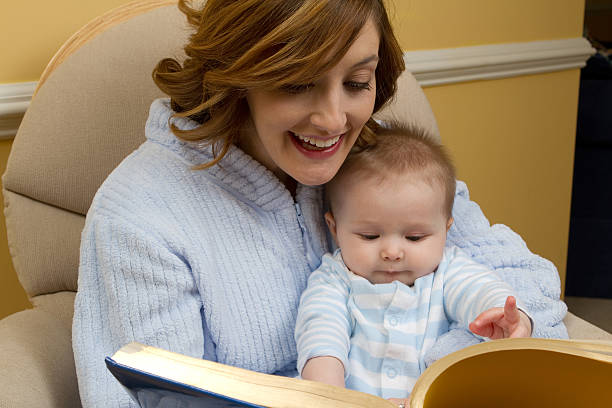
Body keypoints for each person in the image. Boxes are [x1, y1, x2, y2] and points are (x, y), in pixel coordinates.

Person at [71, 1, 567, 407]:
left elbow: (529, 284)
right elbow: (145, 399)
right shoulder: (139, 214)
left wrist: (428, 372)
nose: (333, 121)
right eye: (296, 82)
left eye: (356, 83)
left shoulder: (383, 159)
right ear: (237, 74)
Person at [294, 123, 532, 401]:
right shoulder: (335, 279)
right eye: (370, 236)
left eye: (415, 237)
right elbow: (322, 334)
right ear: (335, 229)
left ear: (446, 229)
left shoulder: (447, 270)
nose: (393, 252)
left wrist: (505, 315)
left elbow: (479, 289)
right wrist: (331, 396)